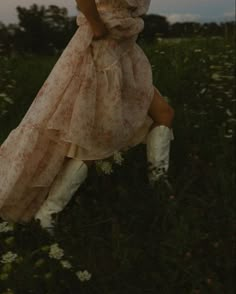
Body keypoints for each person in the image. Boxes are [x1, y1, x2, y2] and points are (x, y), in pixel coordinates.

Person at [0, 0, 174, 232]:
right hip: (101, 52)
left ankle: (159, 185)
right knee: (93, 145)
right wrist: (97, 25)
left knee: (164, 113)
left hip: (125, 52)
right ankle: (47, 215)